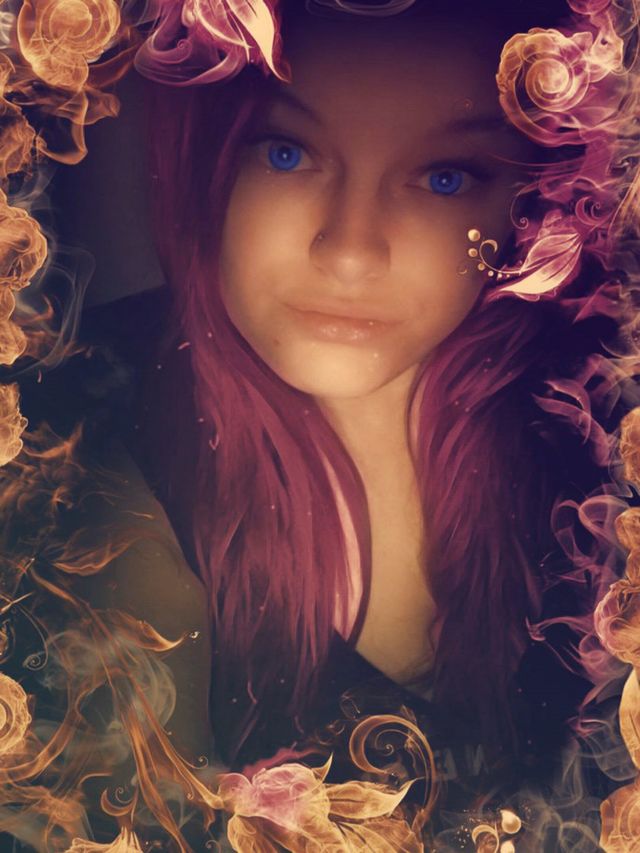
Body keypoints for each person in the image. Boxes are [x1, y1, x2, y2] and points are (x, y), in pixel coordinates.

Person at [5, 0, 636, 847]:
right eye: (287, 152)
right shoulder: (61, 466)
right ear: (207, 162)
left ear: (528, 207)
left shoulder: (592, 439)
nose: (349, 250)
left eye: (446, 177)